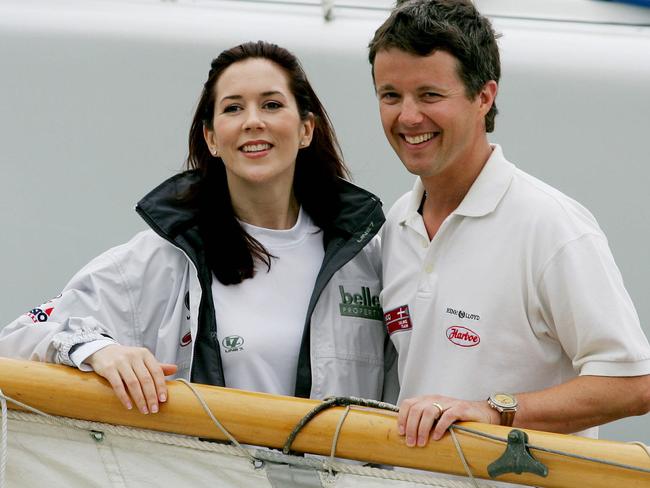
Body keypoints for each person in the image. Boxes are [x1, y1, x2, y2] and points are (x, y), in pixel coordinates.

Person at [0, 41, 395, 415]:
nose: (253, 122)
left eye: (272, 105)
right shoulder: (166, 258)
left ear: (306, 129)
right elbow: (19, 340)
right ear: (211, 138)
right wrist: (99, 351)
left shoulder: (366, 255)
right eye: (233, 109)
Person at [368, 0, 650, 448]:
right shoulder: (394, 226)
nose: (408, 116)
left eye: (430, 95)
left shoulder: (550, 225)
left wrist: (492, 410)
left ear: (485, 96)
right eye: (390, 95)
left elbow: (634, 382)